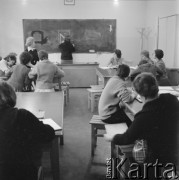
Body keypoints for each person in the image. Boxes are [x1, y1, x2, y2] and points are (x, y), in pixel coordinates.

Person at [105, 73, 179, 179]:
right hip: (174, 152)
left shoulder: (144, 116)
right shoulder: (172, 99)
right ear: (156, 86)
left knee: (134, 160)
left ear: (138, 93)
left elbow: (126, 138)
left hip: (155, 160)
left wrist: (112, 137)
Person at [0, 81, 55, 180]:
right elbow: (48, 134)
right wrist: (39, 124)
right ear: (10, 97)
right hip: (19, 173)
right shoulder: (21, 116)